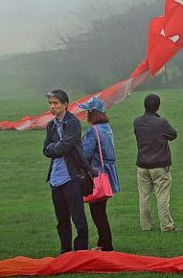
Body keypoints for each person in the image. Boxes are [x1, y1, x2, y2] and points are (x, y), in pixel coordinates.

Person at [43, 89, 89, 252]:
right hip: (56, 177)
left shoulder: (73, 122)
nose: (52, 106)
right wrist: (56, 147)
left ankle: (81, 251)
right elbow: (45, 150)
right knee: (62, 219)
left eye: (55, 103)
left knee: (78, 217)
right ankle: (65, 251)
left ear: (65, 105)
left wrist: (55, 147)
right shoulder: (51, 125)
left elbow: (66, 146)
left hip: (72, 176)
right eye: (50, 103)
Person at [80, 97, 120, 251]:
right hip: (108, 173)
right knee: (100, 210)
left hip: (97, 174)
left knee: (97, 213)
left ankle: (107, 245)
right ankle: (102, 243)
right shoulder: (107, 128)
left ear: (92, 113)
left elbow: (86, 154)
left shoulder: (93, 130)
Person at [133, 93, 177, 232]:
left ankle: (146, 226)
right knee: (162, 197)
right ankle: (166, 226)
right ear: (158, 106)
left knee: (144, 198)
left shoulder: (137, 122)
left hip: (142, 165)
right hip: (159, 165)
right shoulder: (161, 122)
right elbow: (173, 134)